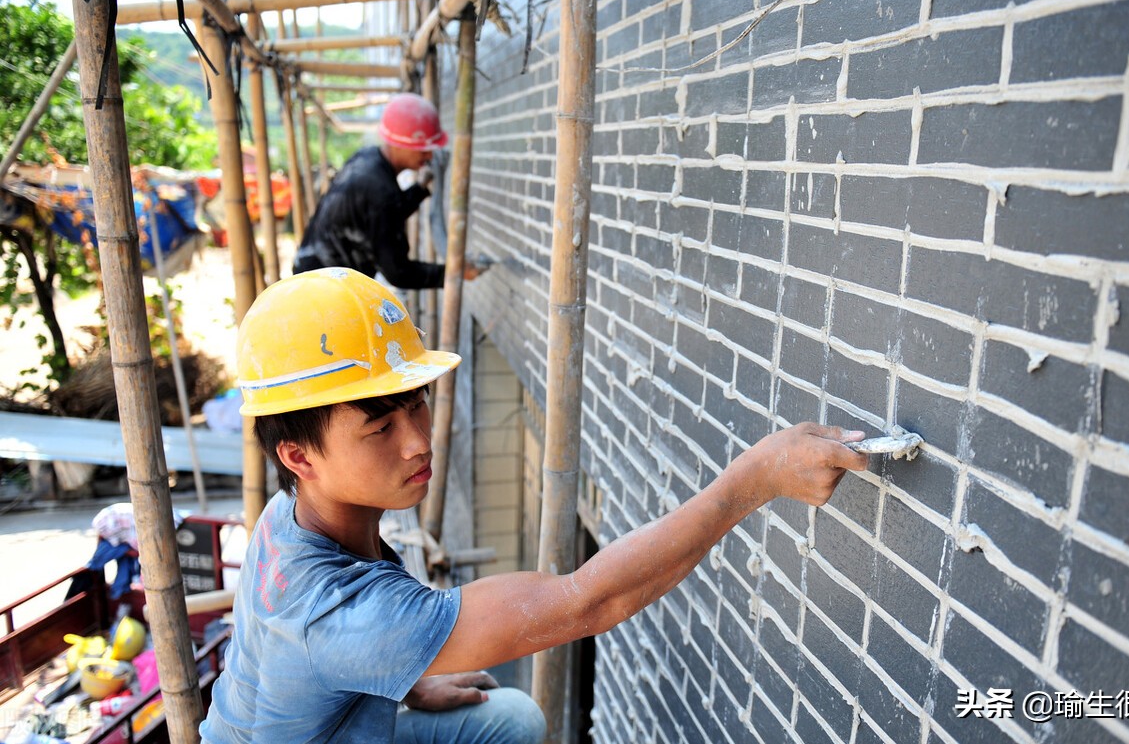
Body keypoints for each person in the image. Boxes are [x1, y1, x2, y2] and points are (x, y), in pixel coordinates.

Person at [199, 268, 868, 743]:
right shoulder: (346, 615)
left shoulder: (287, 517)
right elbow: (587, 602)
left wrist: (400, 680)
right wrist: (755, 479)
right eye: (380, 428)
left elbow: (288, 658)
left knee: (511, 719)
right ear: (299, 456)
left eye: (417, 403)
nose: (417, 441)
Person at [292, 93, 480, 288]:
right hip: (325, 290)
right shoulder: (379, 191)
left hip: (310, 271)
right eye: (422, 149)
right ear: (400, 145)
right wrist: (452, 273)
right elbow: (399, 272)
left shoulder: (368, 159)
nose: (429, 155)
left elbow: (382, 215)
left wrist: (419, 189)